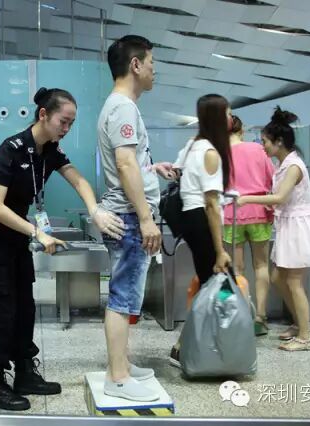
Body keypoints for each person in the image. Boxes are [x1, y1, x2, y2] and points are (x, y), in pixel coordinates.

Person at [0, 87, 125, 411]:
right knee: (2, 311)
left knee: (24, 307)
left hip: (17, 235)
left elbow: (79, 181)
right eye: (63, 121)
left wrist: (95, 210)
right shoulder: (11, 149)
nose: (67, 128)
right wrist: (37, 233)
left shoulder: (49, 151)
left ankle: (25, 373)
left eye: (71, 123)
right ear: (43, 115)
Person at [97, 35, 174, 402]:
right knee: (122, 296)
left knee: (127, 296)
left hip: (128, 212)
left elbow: (132, 162)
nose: (155, 71)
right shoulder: (122, 107)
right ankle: (117, 376)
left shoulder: (121, 107)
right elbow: (125, 163)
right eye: (152, 64)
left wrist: (152, 169)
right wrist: (146, 218)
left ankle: (122, 365)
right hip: (128, 216)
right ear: (135, 65)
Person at [237, 107, 310, 351]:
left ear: (278, 142)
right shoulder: (284, 165)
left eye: (265, 141)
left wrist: (247, 199)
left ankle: (306, 337)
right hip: (289, 225)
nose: (262, 146)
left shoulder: (293, 166)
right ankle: (300, 323)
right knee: (277, 277)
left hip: (299, 227)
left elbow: (280, 197)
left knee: (294, 282)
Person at [169, 94, 233, 368]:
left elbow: (175, 172)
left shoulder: (191, 146)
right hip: (200, 219)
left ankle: (195, 346)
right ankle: (188, 348)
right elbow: (211, 205)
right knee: (220, 288)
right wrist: (220, 251)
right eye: (228, 113)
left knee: (212, 287)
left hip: (188, 219)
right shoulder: (209, 153)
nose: (231, 118)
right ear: (217, 117)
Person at [223, 115, 275, 336]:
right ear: (241, 130)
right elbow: (273, 179)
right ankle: (260, 317)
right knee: (261, 265)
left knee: (236, 268)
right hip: (259, 211)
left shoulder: (219, 154)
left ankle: (240, 317)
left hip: (231, 214)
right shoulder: (258, 149)